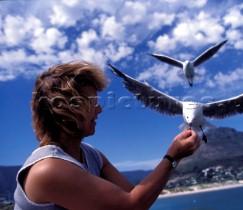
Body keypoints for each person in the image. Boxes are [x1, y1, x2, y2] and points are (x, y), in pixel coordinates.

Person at [14, 60, 201, 210]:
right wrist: (173, 156)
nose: (100, 109)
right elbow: (131, 207)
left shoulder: (91, 155)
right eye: (92, 102)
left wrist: (174, 157)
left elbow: (133, 195)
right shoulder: (48, 169)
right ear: (67, 109)